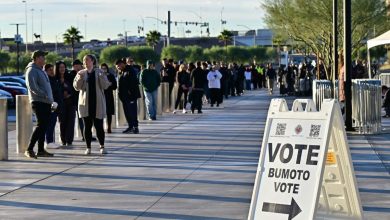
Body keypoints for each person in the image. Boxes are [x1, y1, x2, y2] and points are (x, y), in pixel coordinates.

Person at [73, 54, 111, 155]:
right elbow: (76, 87)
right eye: (84, 60)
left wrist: (102, 77)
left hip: (97, 103)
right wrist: (80, 78)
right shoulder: (81, 73)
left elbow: (105, 86)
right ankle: (88, 147)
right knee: (87, 126)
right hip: (85, 104)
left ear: (93, 61)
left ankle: (102, 146)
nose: (85, 62)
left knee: (99, 126)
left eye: (88, 60)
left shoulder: (100, 72)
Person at [25, 50, 56, 158]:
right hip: (38, 101)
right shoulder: (32, 70)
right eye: (43, 57)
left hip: (46, 102)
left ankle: (41, 150)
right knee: (41, 125)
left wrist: (50, 100)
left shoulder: (40, 70)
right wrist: (44, 95)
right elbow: (32, 87)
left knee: (44, 126)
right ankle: (29, 149)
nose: (44, 59)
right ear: (37, 58)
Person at [116, 59, 141, 132]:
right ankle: (130, 126)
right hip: (124, 97)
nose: (118, 68)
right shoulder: (122, 72)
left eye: (119, 66)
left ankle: (135, 127)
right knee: (127, 112)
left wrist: (131, 94)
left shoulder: (130, 70)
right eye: (117, 67)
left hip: (131, 96)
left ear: (122, 64)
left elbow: (133, 83)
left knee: (133, 112)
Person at [56, 61, 75, 146]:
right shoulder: (55, 78)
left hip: (71, 102)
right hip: (61, 103)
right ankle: (63, 139)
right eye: (60, 67)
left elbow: (75, 89)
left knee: (70, 121)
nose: (62, 69)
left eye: (63, 67)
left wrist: (69, 94)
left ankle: (69, 140)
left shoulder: (70, 77)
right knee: (62, 122)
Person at [44, 63, 63, 149]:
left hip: (56, 104)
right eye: (49, 70)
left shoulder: (54, 79)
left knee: (53, 122)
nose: (52, 71)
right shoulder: (47, 80)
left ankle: (51, 141)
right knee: (50, 123)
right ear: (46, 71)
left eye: (52, 69)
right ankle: (49, 141)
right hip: (51, 104)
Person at [67, 59, 85, 140]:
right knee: (74, 119)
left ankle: (85, 135)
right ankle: (70, 137)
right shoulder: (71, 74)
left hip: (83, 98)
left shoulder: (84, 73)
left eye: (78, 66)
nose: (76, 68)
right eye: (74, 66)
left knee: (84, 118)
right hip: (73, 100)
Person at [100, 63, 117, 133]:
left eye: (105, 68)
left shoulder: (111, 76)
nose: (104, 70)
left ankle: (109, 127)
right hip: (101, 96)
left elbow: (115, 86)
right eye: (102, 68)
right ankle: (100, 128)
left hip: (109, 96)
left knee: (109, 112)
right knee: (100, 113)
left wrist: (110, 84)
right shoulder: (98, 76)